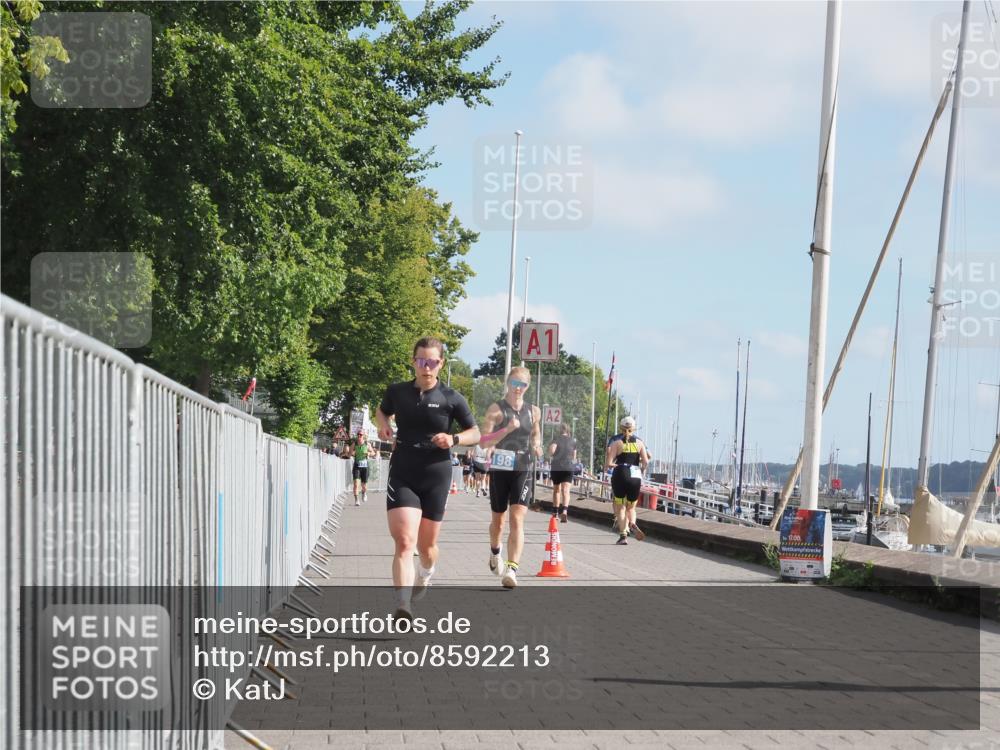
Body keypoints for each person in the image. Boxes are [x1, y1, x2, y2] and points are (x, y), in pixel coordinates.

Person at [375, 337, 480, 619]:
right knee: (405, 541)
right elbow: (382, 411)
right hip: (404, 469)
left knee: (427, 547)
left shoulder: (451, 398)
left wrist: (454, 438)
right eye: (421, 361)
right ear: (414, 362)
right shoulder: (397, 392)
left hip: (436, 472)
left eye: (432, 362)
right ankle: (403, 605)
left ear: (441, 364)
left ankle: (426, 572)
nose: (427, 367)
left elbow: (475, 433)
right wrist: (383, 425)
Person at [480, 366, 541, 589]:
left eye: (522, 385)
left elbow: (535, 434)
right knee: (499, 521)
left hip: (523, 466)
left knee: (517, 518)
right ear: (508, 383)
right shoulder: (496, 410)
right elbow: (484, 441)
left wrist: (536, 445)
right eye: (514, 383)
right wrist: (505, 430)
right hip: (500, 465)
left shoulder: (534, 411)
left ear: (527, 387)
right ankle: (495, 551)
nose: (517, 389)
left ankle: (512, 569)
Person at [606, 416, 649, 545]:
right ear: (633, 429)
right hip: (635, 475)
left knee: (621, 508)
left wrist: (618, 465)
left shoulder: (616, 443)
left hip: (621, 474)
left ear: (621, 428)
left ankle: (623, 535)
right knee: (631, 508)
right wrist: (641, 468)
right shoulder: (640, 443)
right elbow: (646, 461)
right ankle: (633, 523)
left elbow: (609, 463)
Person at [548, 423, 577, 522]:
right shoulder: (573, 441)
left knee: (557, 490)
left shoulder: (556, 439)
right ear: (568, 431)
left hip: (557, 466)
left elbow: (552, 451)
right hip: (568, 467)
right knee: (566, 490)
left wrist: (555, 455)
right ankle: (564, 511)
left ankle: (555, 513)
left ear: (559, 431)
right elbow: (574, 456)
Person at [352, 431, 376, 506]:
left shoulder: (367, 444)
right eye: (358, 434)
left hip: (365, 467)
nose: (359, 436)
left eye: (361, 435)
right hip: (357, 466)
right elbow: (349, 453)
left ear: (363, 436)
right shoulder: (354, 444)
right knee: (356, 484)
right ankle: (356, 500)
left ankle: (364, 493)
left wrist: (369, 453)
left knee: (364, 485)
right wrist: (352, 453)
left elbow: (373, 453)